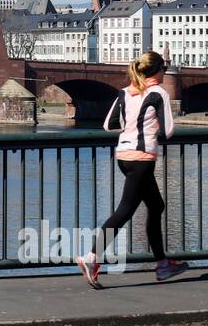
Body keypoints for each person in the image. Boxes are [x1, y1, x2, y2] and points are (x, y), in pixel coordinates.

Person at [76, 50, 190, 288]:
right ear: (158, 71)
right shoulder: (158, 93)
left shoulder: (126, 91)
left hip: (123, 156)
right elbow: (167, 131)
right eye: (164, 69)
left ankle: (163, 265)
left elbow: (109, 124)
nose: (164, 73)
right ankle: (91, 257)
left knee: (156, 205)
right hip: (142, 158)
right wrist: (150, 130)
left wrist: (130, 130)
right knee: (125, 210)